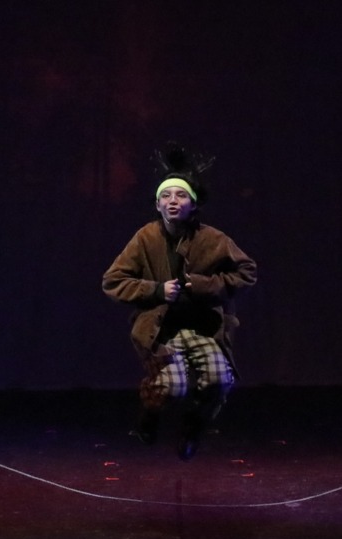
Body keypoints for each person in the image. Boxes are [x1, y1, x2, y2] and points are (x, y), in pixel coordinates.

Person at [102, 143, 257, 460]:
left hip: (203, 328)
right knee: (174, 387)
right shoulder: (146, 237)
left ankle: (192, 430)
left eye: (181, 195)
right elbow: (113, 281)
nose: (173, 202)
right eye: (166, 197)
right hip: (162, 331)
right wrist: (157, 291)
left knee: (219, 379)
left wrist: (205, 285)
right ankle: (148, 417)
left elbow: (247, 272)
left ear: (193, 203)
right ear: (157, 205)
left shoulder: (213, 239)